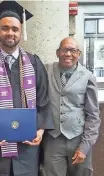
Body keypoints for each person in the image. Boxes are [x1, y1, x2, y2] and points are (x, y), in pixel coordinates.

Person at [0, 1, 54, 176]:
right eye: (5, 28)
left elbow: (44, 100)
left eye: (15, 29)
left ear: (21, 32)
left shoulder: (34, 63)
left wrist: (40, 130)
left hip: (27, 148)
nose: (10, 33)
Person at [40, 37, 101, 176]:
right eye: (64, 50)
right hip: (52, 139)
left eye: (73, 50)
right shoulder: (45, 69)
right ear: (57, 52)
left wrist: (85, 147)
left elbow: (93, 115)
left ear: (78, 54)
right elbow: (24, 67)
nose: (68, 54)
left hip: (78, 138)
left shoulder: (88, 77)